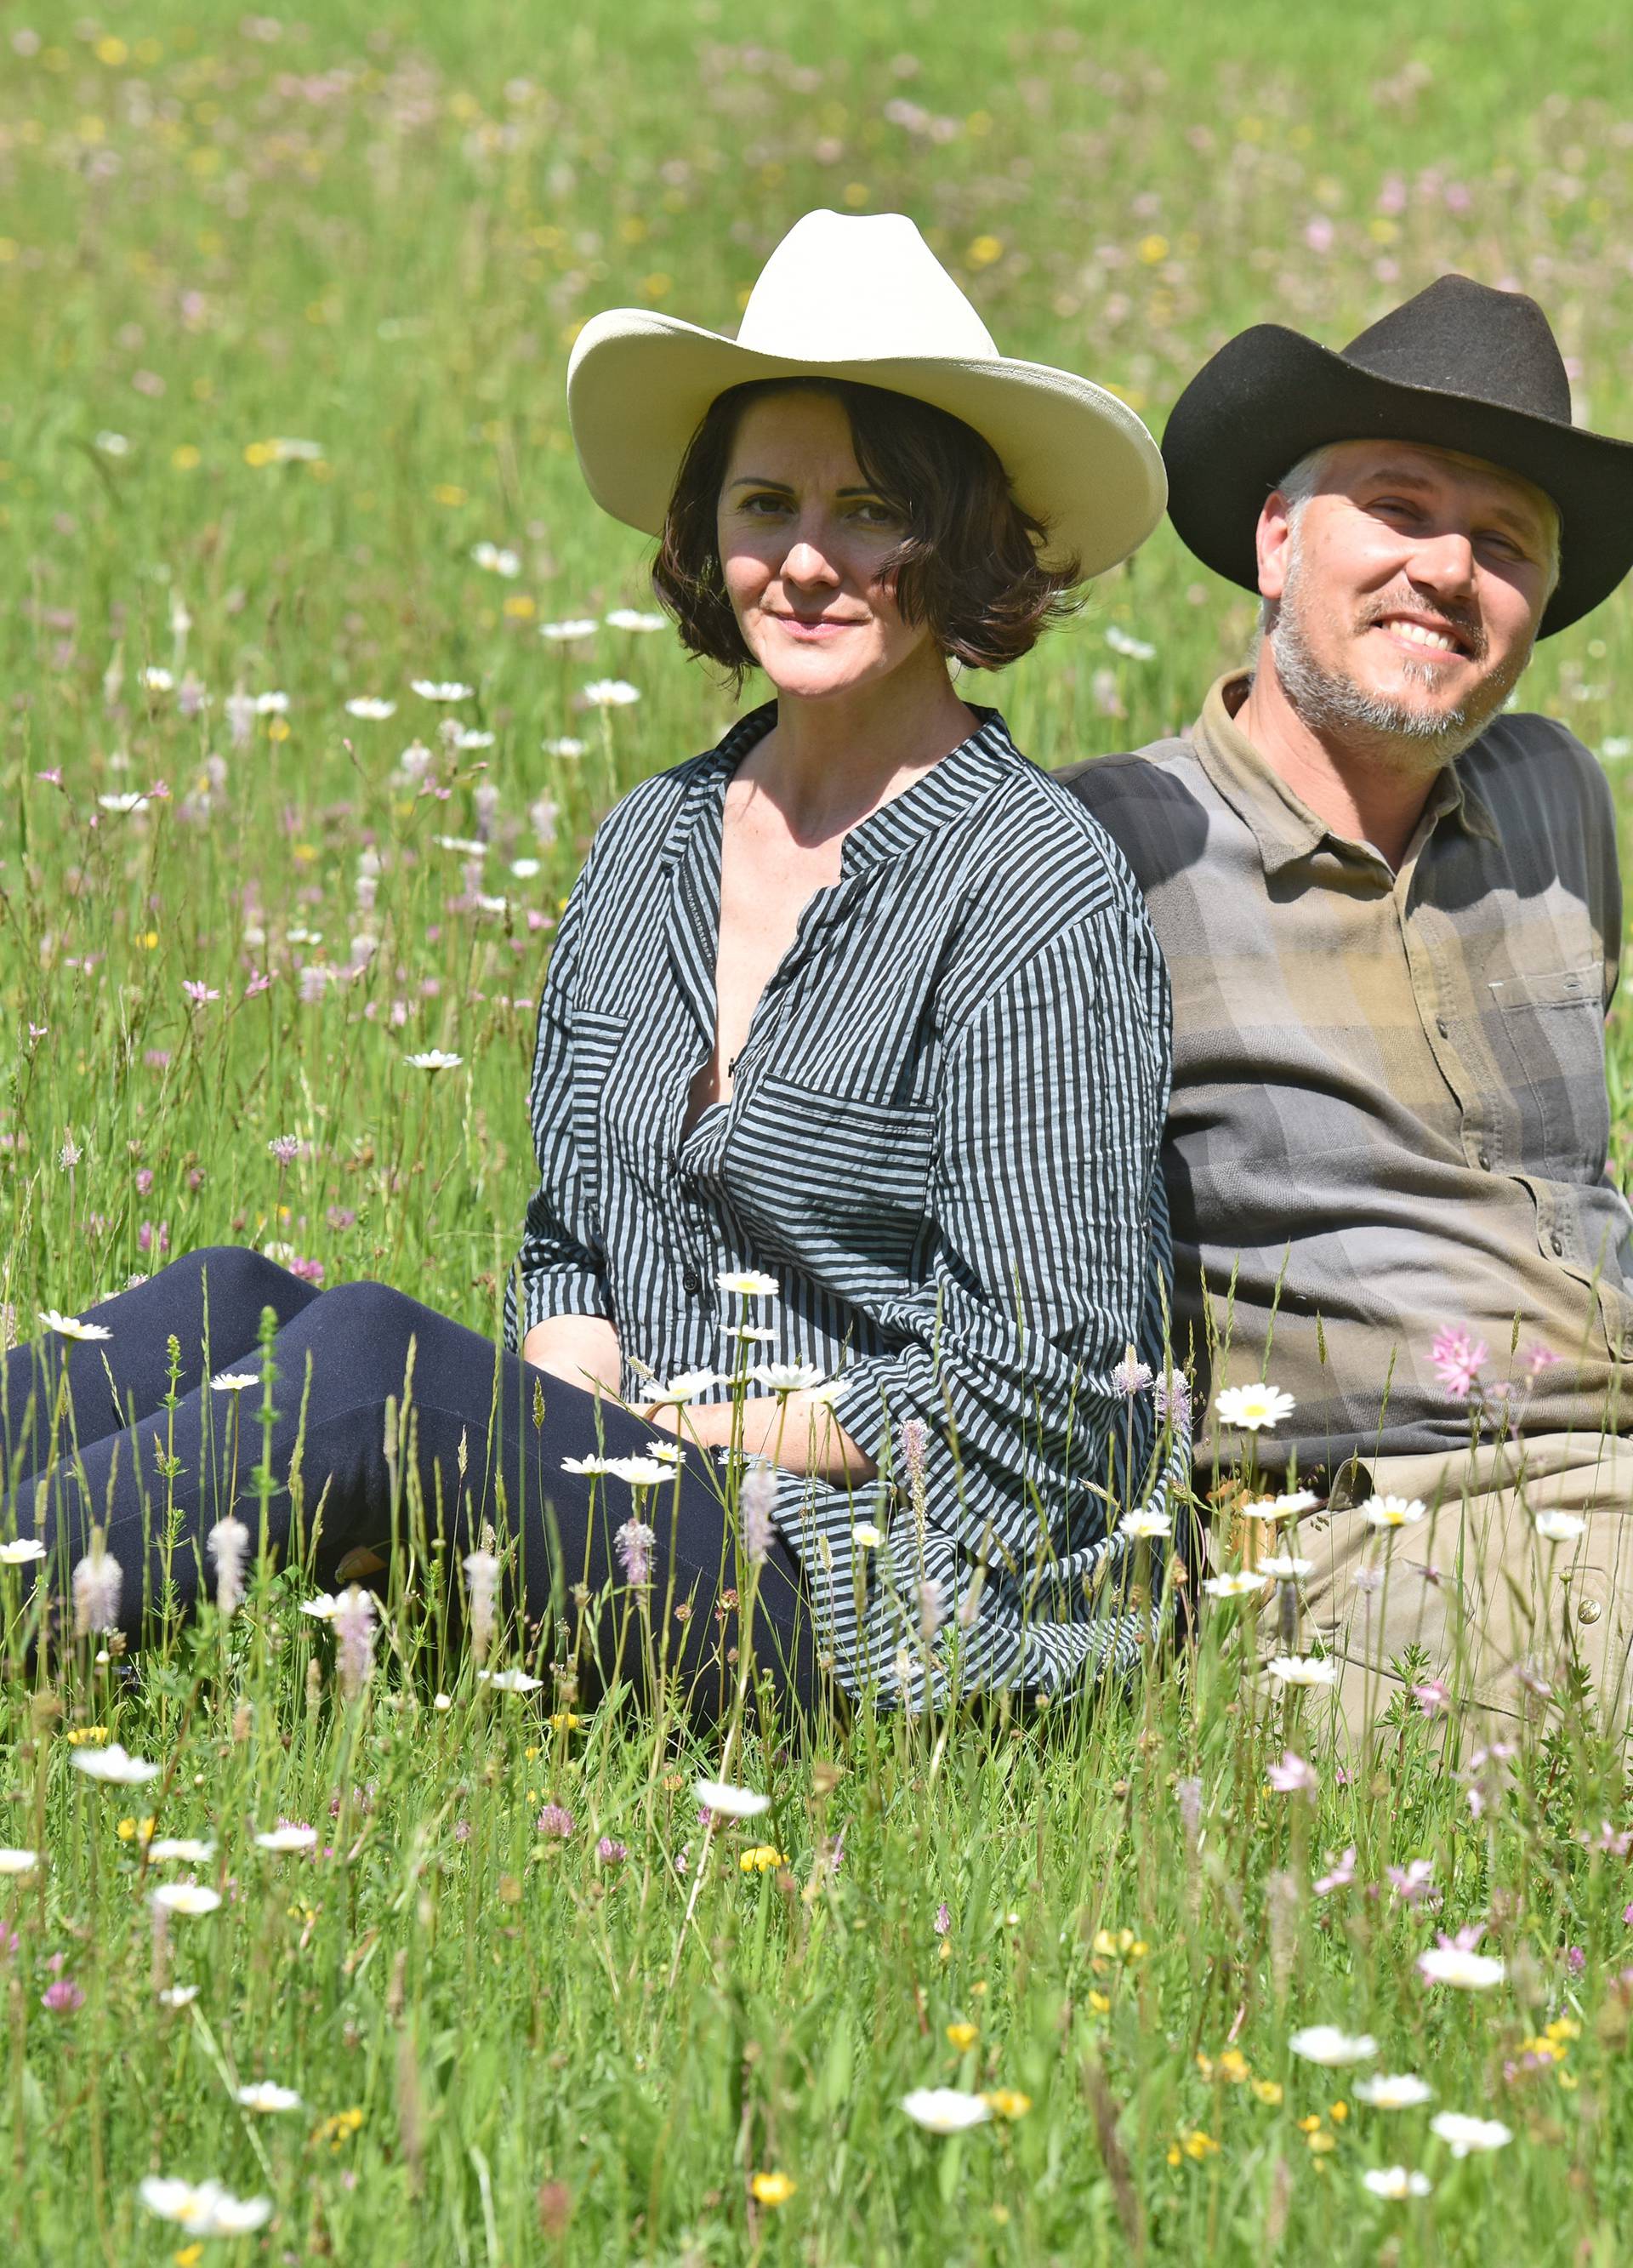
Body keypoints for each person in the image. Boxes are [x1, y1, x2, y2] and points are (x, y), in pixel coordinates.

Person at [4, 210, 1181, 1724]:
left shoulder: (1034, 886)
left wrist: (702, 1427)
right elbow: (574, 1236)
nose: (808, 559)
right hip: (631, 1485)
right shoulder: (651, 843)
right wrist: (568, 1352)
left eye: (872, 508)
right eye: (766, 504)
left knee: (365, 1353)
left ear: (955, 538)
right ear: (710, 536)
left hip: (881, 1572)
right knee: (237, 1300)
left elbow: (1046, 1397)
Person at [1066, 273, 1633, 1732]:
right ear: (1276, 538)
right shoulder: (1103, 853)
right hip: (1371, 1537)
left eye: (1503, 543)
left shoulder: (1556, 800)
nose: (1448, 569)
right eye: (1399, 507)